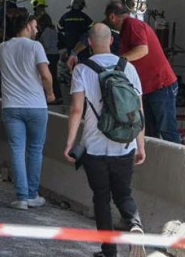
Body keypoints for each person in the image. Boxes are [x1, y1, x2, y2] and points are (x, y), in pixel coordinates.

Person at [64, 23, 146, 257]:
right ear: (111, 41)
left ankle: (109, 251)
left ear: (89, 43)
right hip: (125, 144)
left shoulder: (82, 70)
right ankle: (135, 225)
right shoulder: (128, 67)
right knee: (124, 194)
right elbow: (138, 111)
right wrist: (141, 144)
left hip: (94, 146)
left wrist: (70, 143)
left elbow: (76, 110)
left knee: (101, 198)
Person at [0, 12, 55, 209]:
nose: (37, 30)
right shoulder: (35, 47)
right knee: (35, 150)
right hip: (36, 105)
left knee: (17, 149)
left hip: (11, 106)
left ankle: (21, 197)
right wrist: (51, 93)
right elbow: (45, 75)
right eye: (36, 26)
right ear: (28, 25)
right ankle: (32, 194)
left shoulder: (2, 47)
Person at [107, 1, 181, 144]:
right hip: (148, 87)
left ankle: (176, 163)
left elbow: (142, 49)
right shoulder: (125, 29)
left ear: (112, 17)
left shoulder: (132, 25)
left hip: (160, 85)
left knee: (167, 130)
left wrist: (120, 61)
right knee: (149, 130)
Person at [37, 13, 62, 105]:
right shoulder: (53, 29)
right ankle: (58, 96)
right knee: (54, 76)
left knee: (50, 76)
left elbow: (46, 45)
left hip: (49, 54)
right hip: (55, 54)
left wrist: (39, 44)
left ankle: (53, 96)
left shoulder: (47, 31)